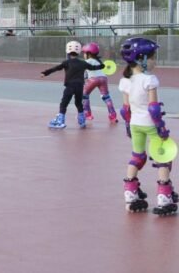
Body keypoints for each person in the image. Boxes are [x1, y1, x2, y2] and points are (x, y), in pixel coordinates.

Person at [117, 37, 177, 215]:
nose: (154, 61)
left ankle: (130, 192)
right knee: (163, 157)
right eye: (152, 57)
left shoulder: (126, 81)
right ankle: (164, 196)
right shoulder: (149, 80)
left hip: (135, 124)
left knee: (138, 156)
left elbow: (125, 109)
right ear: (141, 59)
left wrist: (128, 126)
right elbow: (153, 107)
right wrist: (161, 127)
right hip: (150, 124)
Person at [40, 40, 104, 129]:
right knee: (78, 103)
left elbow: (56, 68)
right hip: (79, 86)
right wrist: (102, 65)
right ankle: (82, 120)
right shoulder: (83, 63)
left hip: (70, 86)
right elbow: (93, 68)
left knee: (64, 103)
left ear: (68, 51)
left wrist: (45, 73)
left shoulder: (66, 62)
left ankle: (60, 121)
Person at [81, 42, 118, 124]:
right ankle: (113, 115)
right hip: (103, 78)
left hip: (93, 79)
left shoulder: (87, 61)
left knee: (84, 95)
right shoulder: (98, 61)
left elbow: (83, 74)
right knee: (106, 97)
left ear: (89, 53)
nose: (83, 55)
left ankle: (87, 114)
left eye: (84, 53)